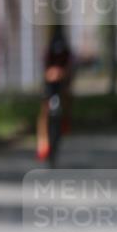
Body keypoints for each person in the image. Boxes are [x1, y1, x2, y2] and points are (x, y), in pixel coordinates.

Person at [38, 25, 73, 167]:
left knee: (50, 111)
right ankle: (45, 142)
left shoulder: (60, 49)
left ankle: (63, 124)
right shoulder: (62, 49)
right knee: (45, 113)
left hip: (58, 86)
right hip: (53, 86)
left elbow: (69, 66)